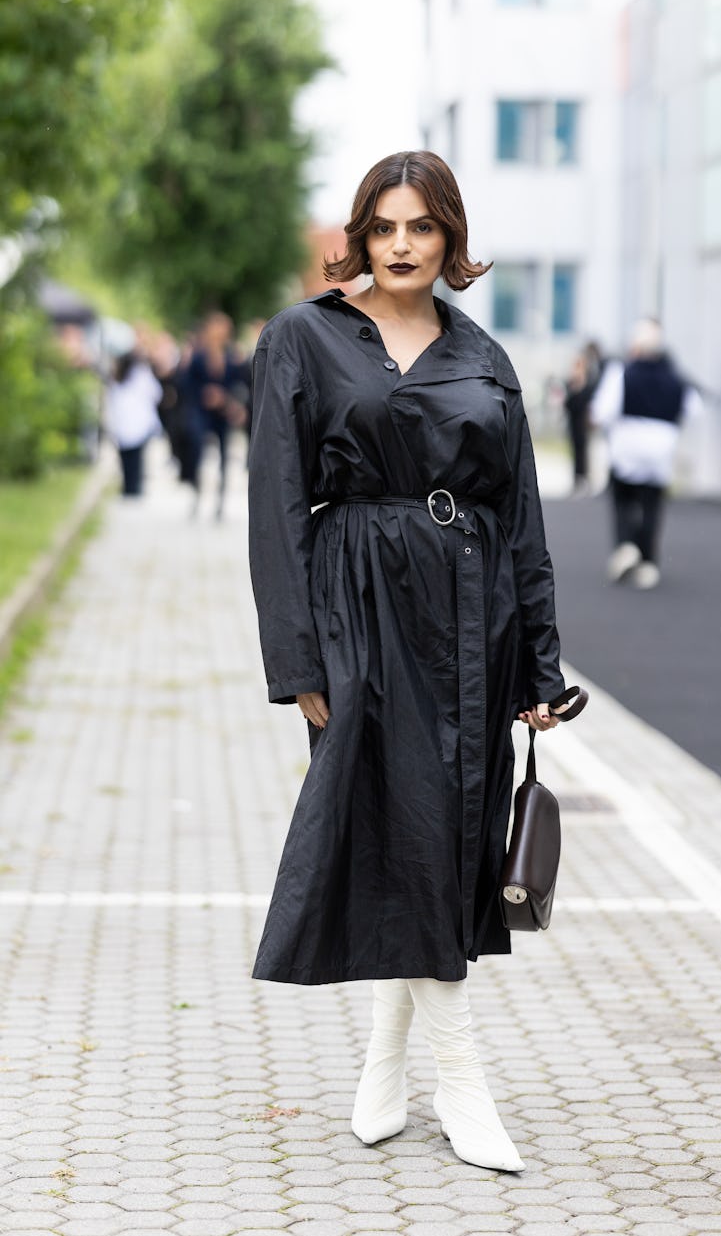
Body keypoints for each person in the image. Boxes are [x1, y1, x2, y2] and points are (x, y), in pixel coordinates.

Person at [247, 150, 577, 1173]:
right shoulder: (305, 337)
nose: (400, 245)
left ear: (450, 240)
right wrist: (299, 655)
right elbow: (274, 508)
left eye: (421, 228)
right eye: (383, 226)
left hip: (470, 617)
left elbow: (520, 515)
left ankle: (387, 1060)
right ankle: (461, 1075)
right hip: (358, 609)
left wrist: (538, 661)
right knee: (403, 824)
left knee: (444, 835)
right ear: (359, 233)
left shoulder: (483, 355)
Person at [591, 318, 703, 589]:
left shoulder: (622, 373)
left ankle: (626, 544)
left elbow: (602, 411)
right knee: (652, 504)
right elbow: (694, 409)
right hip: (662, 447)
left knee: (622, 497)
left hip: (628, 444)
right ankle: (648, 563)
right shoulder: (675, 376)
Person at [184, 312, 250, 517]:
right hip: (202, 410)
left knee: (224, 454)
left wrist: (228, 400)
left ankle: (220, 500)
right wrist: (205, 394)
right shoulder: (197, 357)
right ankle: (197, 492)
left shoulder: (233, 357)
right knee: (198, 448)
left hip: (223, 411)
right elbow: (187, 385)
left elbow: (241, 385)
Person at [104, 346, 162, 497]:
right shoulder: (142, 375)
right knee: (136, 458)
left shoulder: (117, 378)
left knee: (126, 457)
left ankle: (128, 486)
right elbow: (156, 394)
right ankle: (135, 486)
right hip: (138, 424)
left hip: (124, 424)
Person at [562, 338, 604, 494]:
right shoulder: (570, 383)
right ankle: (577, 479)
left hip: (584, 423)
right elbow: (568, 403)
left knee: (586, 451)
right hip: (574, 422)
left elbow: (587, 400)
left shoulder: (589, 382)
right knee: (576, 451)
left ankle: (586, 479)